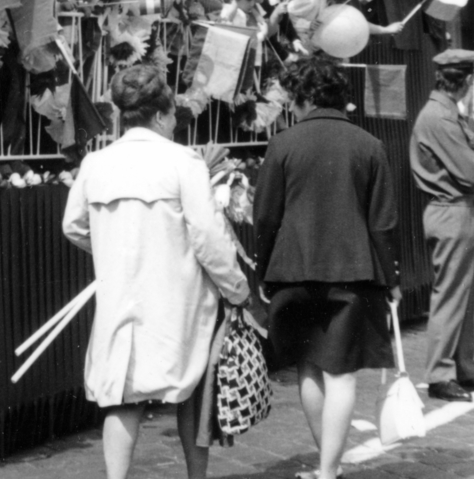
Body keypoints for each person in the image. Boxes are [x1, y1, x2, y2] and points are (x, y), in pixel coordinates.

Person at [62, 64, 248, 479]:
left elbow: (73, 225)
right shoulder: (183, 161)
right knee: (194, 389)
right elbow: (209, 236)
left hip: (120, 296)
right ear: (163, 115)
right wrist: (236, 286)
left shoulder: (96, 162)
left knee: (123, 395)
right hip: (178, 298)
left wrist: (111, 249)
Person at [253, 56, 400, 479]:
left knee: (308, 366)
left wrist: (264, 272)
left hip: (292, 269)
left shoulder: (283, 144)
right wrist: (392, 279)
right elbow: (383, 223)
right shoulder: (369, 145)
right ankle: (329, 470)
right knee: (342, 374)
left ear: (303, 98)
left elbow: (266, 217)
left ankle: (327, 466)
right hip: (352, 273)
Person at [409, 49, 474, 402]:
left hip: (455, 210)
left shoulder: (446, 111)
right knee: (451, 296)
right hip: (451, 210)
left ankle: (464, 367)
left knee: (461, 296)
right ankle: (440, 375)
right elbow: (471, 171)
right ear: (465, 81)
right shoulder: (441, 116)